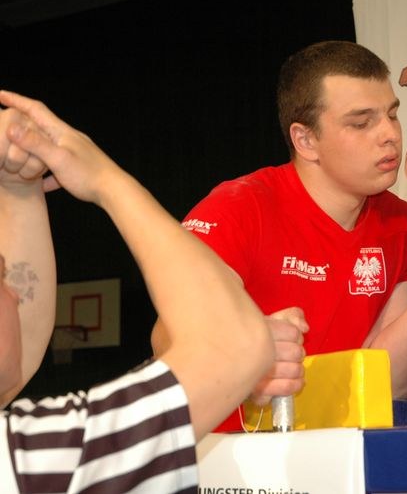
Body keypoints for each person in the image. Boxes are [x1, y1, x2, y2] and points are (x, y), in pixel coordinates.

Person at [151, 40, 407, 431]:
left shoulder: (403, 224)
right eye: (361, 122)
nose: (389, 134)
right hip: (228, 468)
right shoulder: (241, 206)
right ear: (305, 140)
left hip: (334, 460)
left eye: (392, 115)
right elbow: (168, 335)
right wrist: (246, 351)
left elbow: (383, 379)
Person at [0, 90, 306, 492]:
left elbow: (14, 355)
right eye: (1, 278)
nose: (17, 294)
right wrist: (103, 178)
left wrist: (17, 188)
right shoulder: (34, 460)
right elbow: (232, 347)